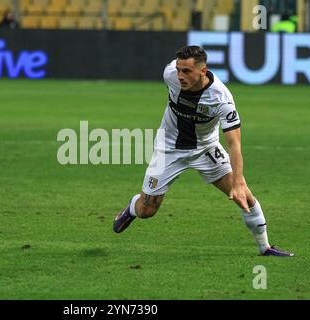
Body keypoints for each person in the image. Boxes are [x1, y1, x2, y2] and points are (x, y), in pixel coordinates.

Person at [113, 46, 294, 257]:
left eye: (187, 71)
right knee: (148, 210)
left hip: (206, 149)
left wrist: (236, 184)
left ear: (203, 70)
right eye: (179, 70)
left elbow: (234, 144)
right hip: (168, 148)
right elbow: (176, 71)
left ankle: (266, 247)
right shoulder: (169, 74)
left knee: (243, 194)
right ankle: (133, 207)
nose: (180, 76)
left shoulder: (221, 99)